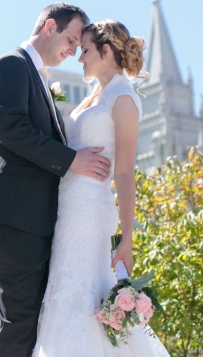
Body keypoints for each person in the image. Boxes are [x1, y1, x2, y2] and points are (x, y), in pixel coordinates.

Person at [0, 3, 113, 357]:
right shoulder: (11, 65)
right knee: (19, 318)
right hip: (15, 214)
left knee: (34, 318)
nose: (72, 51)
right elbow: (12, 129)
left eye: (79, 46)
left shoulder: (41, 80)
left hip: (35, 218)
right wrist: (72, 161)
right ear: (49, 26)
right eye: (69, 39)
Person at [32, 20, 169, 356]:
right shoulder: (96, 95)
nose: (80, 58)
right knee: (65, 294)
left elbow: (124, 173)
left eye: (86, 51)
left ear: (106, 52)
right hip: (66, 212)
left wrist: (126, 239)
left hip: (91, 213)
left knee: (81, 295)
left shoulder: (123, 99)